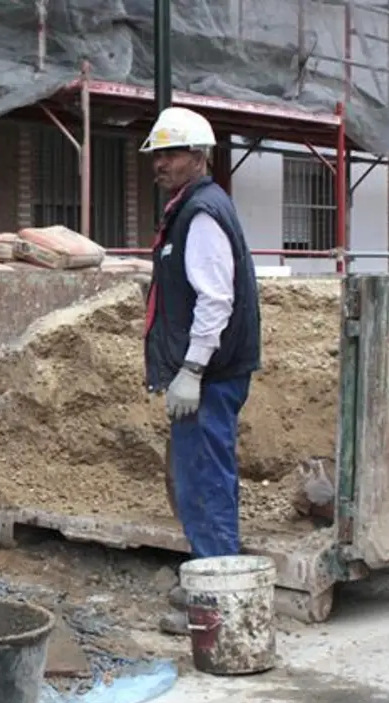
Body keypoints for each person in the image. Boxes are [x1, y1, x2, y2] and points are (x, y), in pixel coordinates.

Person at [138, 107, 262, 635]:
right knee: (204, 478)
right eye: (156, 154)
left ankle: (218, 603)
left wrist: (191, 368)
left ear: (199, 155)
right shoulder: (190, 208)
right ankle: (213, 583)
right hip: (208, 373)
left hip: (209, 375)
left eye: (171, 153)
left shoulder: (202, 214)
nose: (160, 163)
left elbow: (216, 299)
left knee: (205, 482)